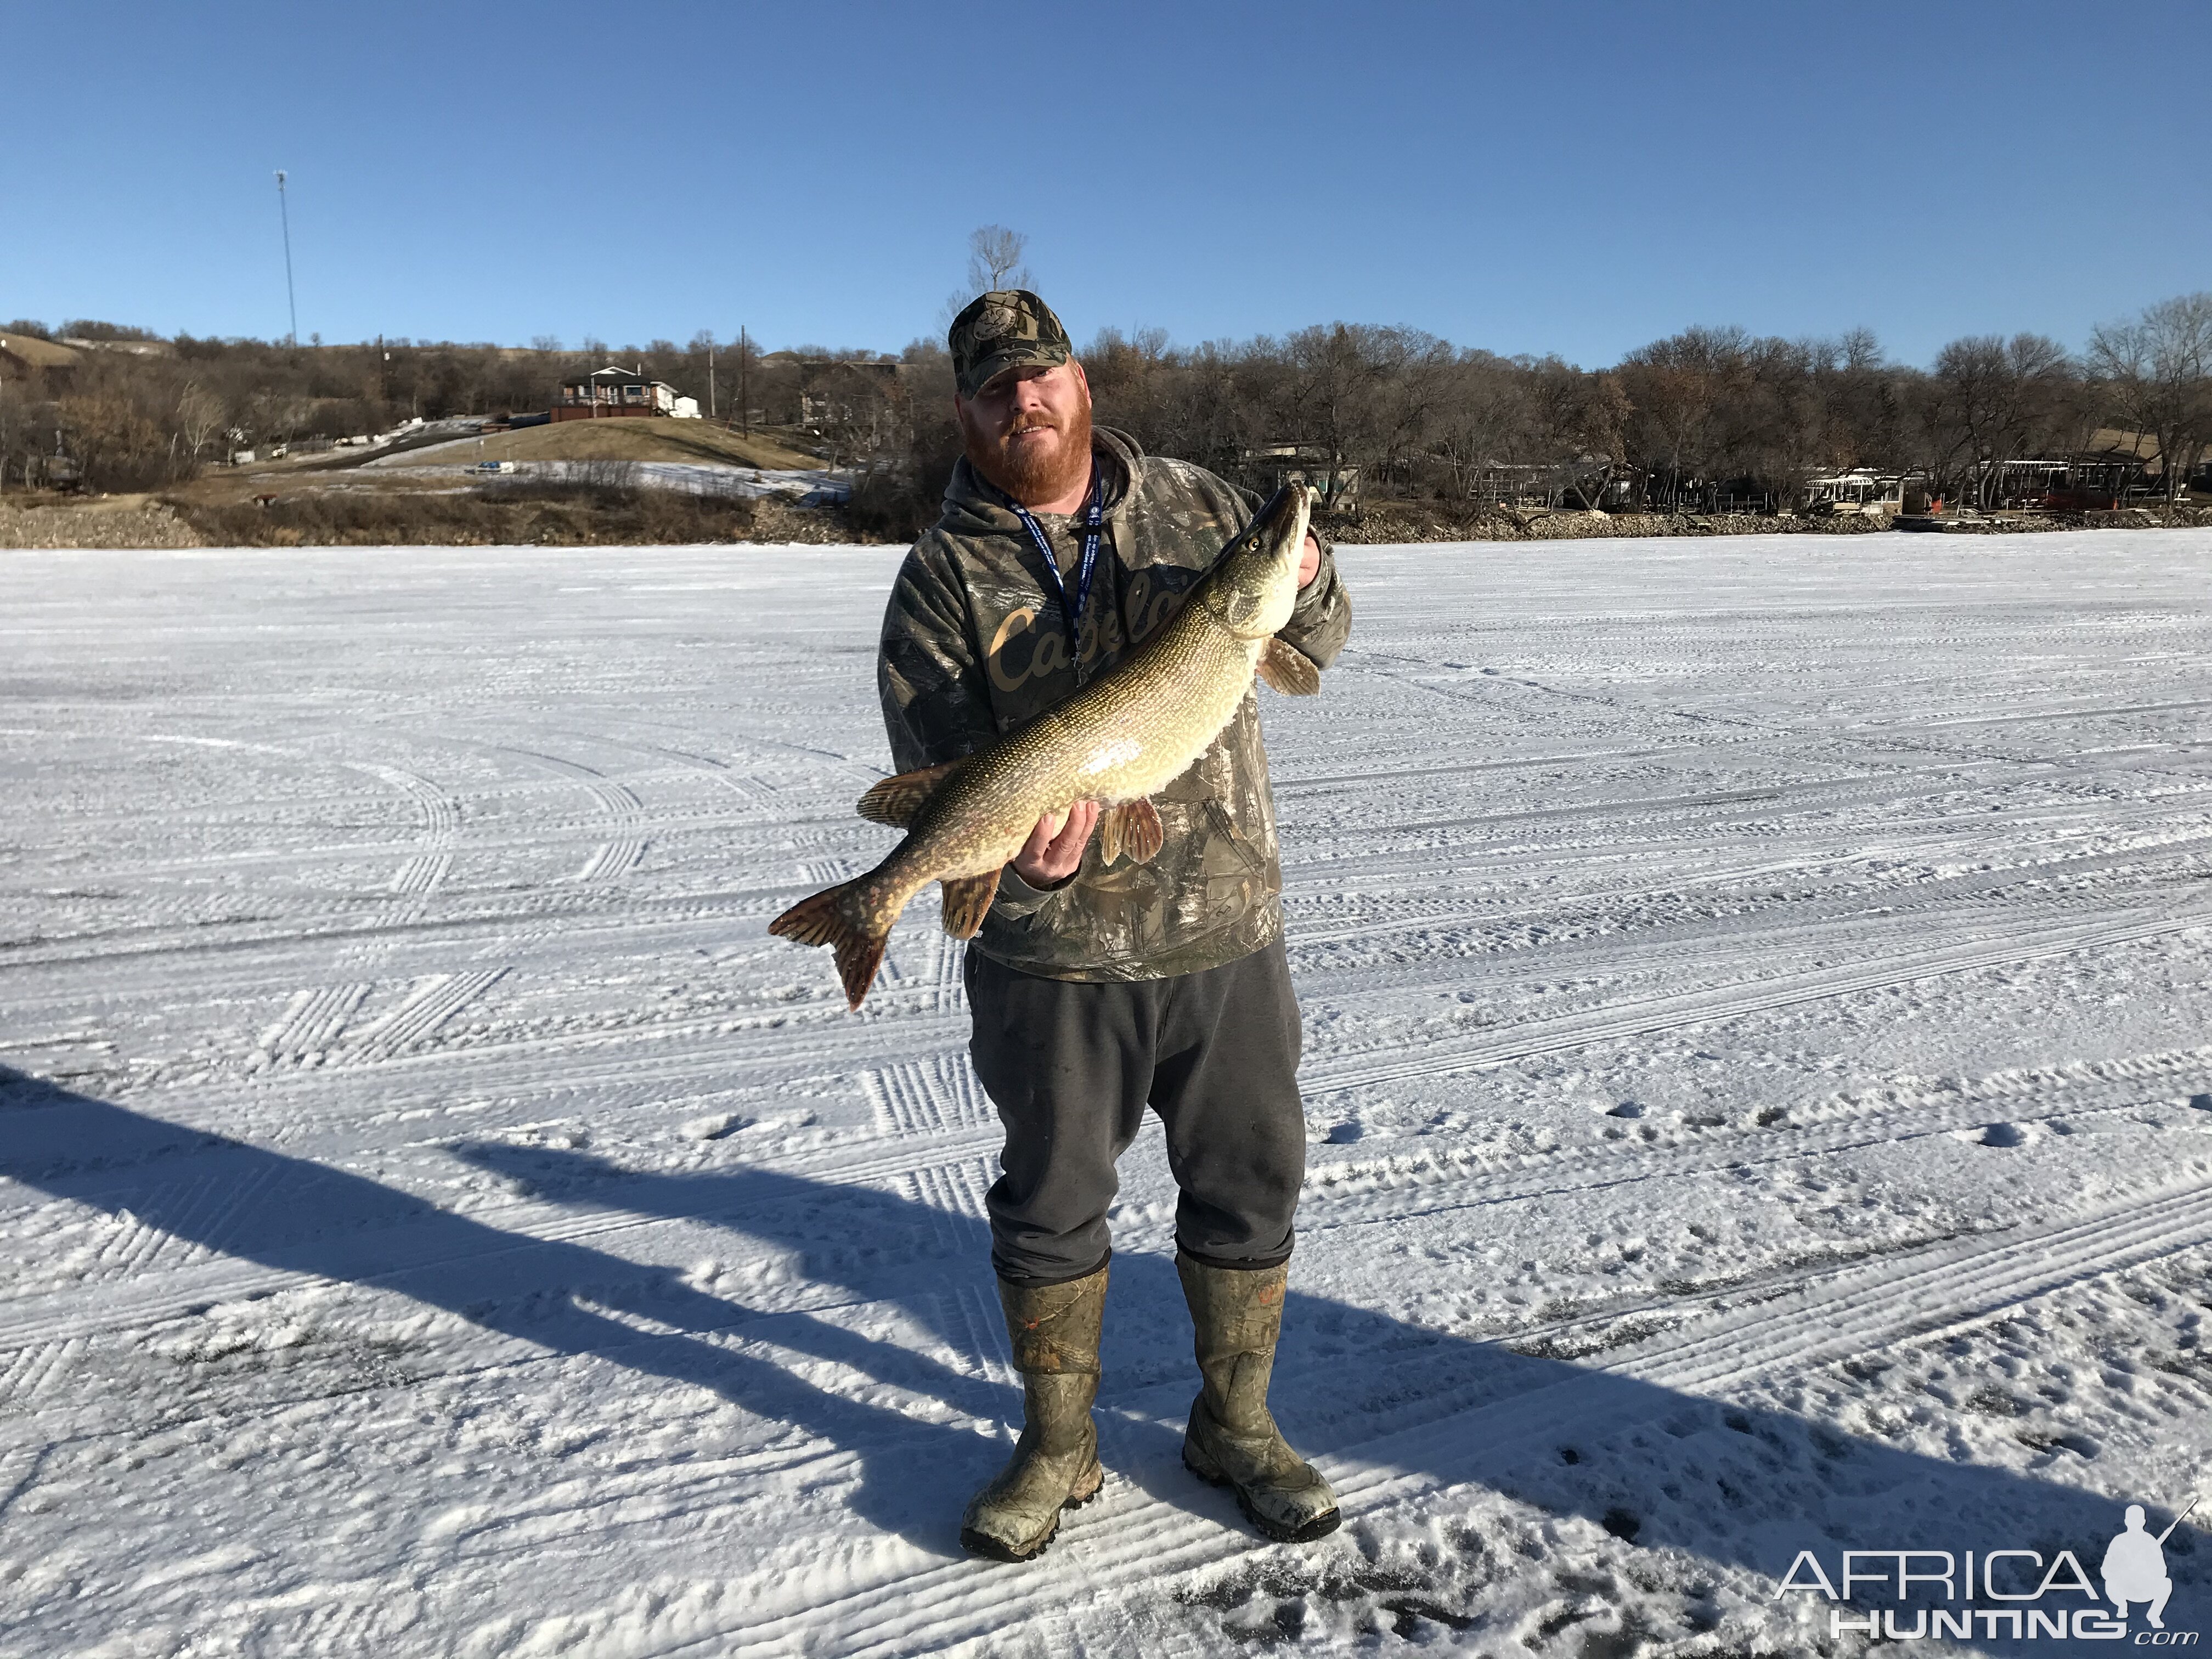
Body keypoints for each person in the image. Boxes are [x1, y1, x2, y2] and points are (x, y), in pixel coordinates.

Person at [877, 290, 1352, 1561]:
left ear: (1079, 383)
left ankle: (1236, 1424)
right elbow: (941, 766)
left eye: (1037, 376)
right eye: (992, 388)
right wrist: (1019, 871)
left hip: (1227, 932)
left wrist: (1303, 575)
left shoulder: (1200, 509)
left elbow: (1323, 635)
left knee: (1250, 1186)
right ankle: (1058, 1445)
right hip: (1052, 967)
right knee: (1050, 1204)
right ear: (966, 413)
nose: (1020, 400)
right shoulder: (937, 583)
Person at [2103, 1504, 2175, 1628]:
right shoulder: (2118, 1541)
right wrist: (2123, 1568)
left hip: (2145, 1589)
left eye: (2137, 1520)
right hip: (2124, 1589)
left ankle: (2154, 1615)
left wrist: (2147, 1566)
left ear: (2143, 1522)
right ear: (2126, 1522)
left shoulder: (2151, 1542)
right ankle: (2122, 1606)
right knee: (2109, 1583)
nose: (2134, 1523)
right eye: (2132, 1520)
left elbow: (2162, 1572)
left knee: (2167, 1584)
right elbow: (2105, 1571)